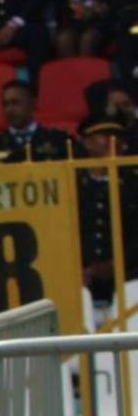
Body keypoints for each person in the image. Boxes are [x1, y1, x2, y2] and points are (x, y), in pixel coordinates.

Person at [75, 111, 138, 302]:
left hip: (130, 278)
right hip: (82, 281)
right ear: (88, 143)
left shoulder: (133, 182)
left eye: (118, 137)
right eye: (106, 136)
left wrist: (115, 264)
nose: (114, 142)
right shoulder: (74, 182)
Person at [0, 80, 73, 163]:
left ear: (33, 104)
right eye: (5, 104)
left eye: (15, 103)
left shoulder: (59, 140)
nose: (9, 109)